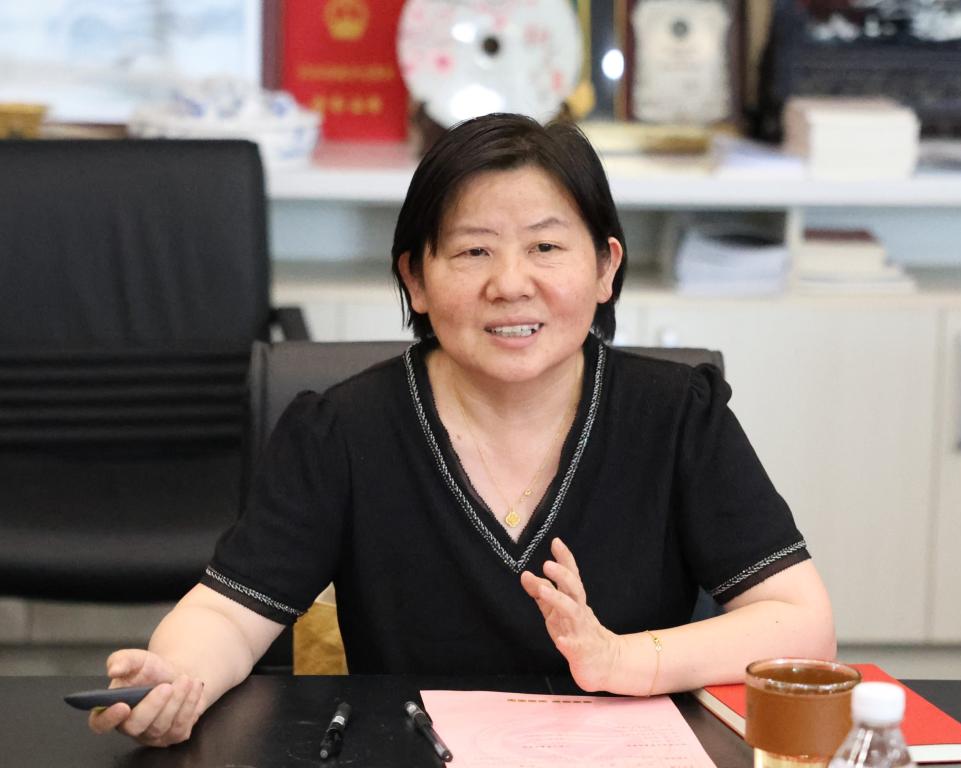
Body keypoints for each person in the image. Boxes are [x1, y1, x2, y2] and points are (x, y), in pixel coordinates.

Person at [89, 113, 835, 747]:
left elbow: (801, 624)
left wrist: (623, 662)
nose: (510, 283)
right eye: (474, 250)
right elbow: (227, 614)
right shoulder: (343, 431)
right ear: (415, 278)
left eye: (546, 247)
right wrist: (175, 678)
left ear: (606, 267)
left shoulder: (676, 417)